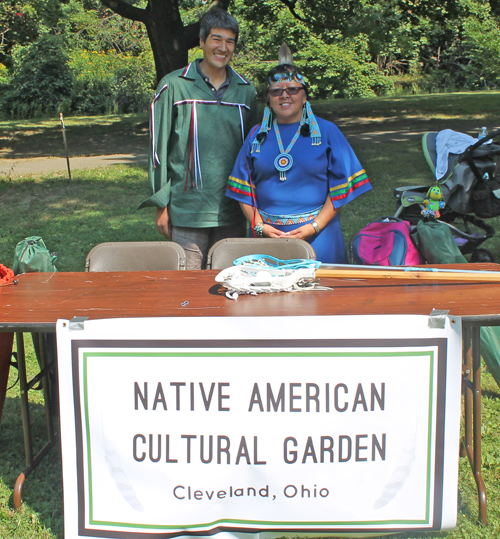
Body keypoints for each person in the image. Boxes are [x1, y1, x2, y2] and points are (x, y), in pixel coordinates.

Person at [225, 51, 372, 264]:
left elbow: (342, 187)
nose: (285, 96)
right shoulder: (256, 135)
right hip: (266, 239)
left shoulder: (327, 131)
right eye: (276, 91)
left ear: (304, 96)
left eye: (293, 89)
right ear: (268, 98)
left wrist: (315, 226)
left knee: (319, 294)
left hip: (319, 238)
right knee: (268, 294)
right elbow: (243, 188)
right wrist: (260, 226)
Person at [139, 8, 258, 269]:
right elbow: (157, 149)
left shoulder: (246, 92)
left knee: (232, 286)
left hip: (234, 210)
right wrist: (161, 205)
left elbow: (255, 151)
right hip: (188, 212)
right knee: (186, 289)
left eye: (230, 41)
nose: (223, 47)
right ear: (202, 41)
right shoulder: (174, 86)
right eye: (216, 39)